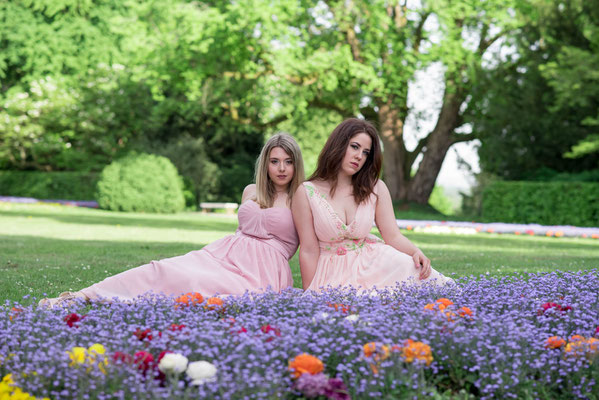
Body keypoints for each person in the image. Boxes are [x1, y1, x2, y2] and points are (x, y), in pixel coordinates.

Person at [39, 134, 305, 307]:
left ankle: (122, 303)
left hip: (262, 274)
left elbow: (313, 248)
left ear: (296, 165)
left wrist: (313, 291)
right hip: (223, 255)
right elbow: (242, 233)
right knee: (163, 269)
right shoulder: (251, 191)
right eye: (274, 161)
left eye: (288, 161)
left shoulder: (302, 198)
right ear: (265, 165)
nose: (281, 168)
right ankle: (81, 297)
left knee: (204, 294)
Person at [292, 118, 452, 292]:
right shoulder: (307, 192)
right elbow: (308, 250)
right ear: (338, 145)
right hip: (331, 271)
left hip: (372, 263)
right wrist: (308, 294)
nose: (359, 156)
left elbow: (393, 236)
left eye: (366, 152)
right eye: (354, 147)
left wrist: (415, 252)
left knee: (430, 281)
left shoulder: (375, 188)